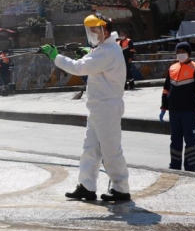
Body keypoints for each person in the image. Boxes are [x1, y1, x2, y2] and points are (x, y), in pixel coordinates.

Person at [40, 14, 130, 202]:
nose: (93, 34)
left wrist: (56, 57)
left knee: (111, 149)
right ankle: (87, 187)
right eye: (91, 31)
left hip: (107, 107)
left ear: (106, 31)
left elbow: (79, 68)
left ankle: (121, 189)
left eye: (96, 30)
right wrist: (88, 52)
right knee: (90, 149)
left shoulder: (108, 51)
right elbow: (92, 60)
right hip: (99, 107)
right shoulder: (104, 49)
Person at [159, 42, 195, 172]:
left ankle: (190, 167)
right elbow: (166, 89)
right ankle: (174, 165)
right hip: (174, 111)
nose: (180, 54)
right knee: (175, 139)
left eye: (183, 51)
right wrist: (163, 107)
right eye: (178, 51)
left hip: (189, 111)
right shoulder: (172, 68)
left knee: (190, 140)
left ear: (189, 53)